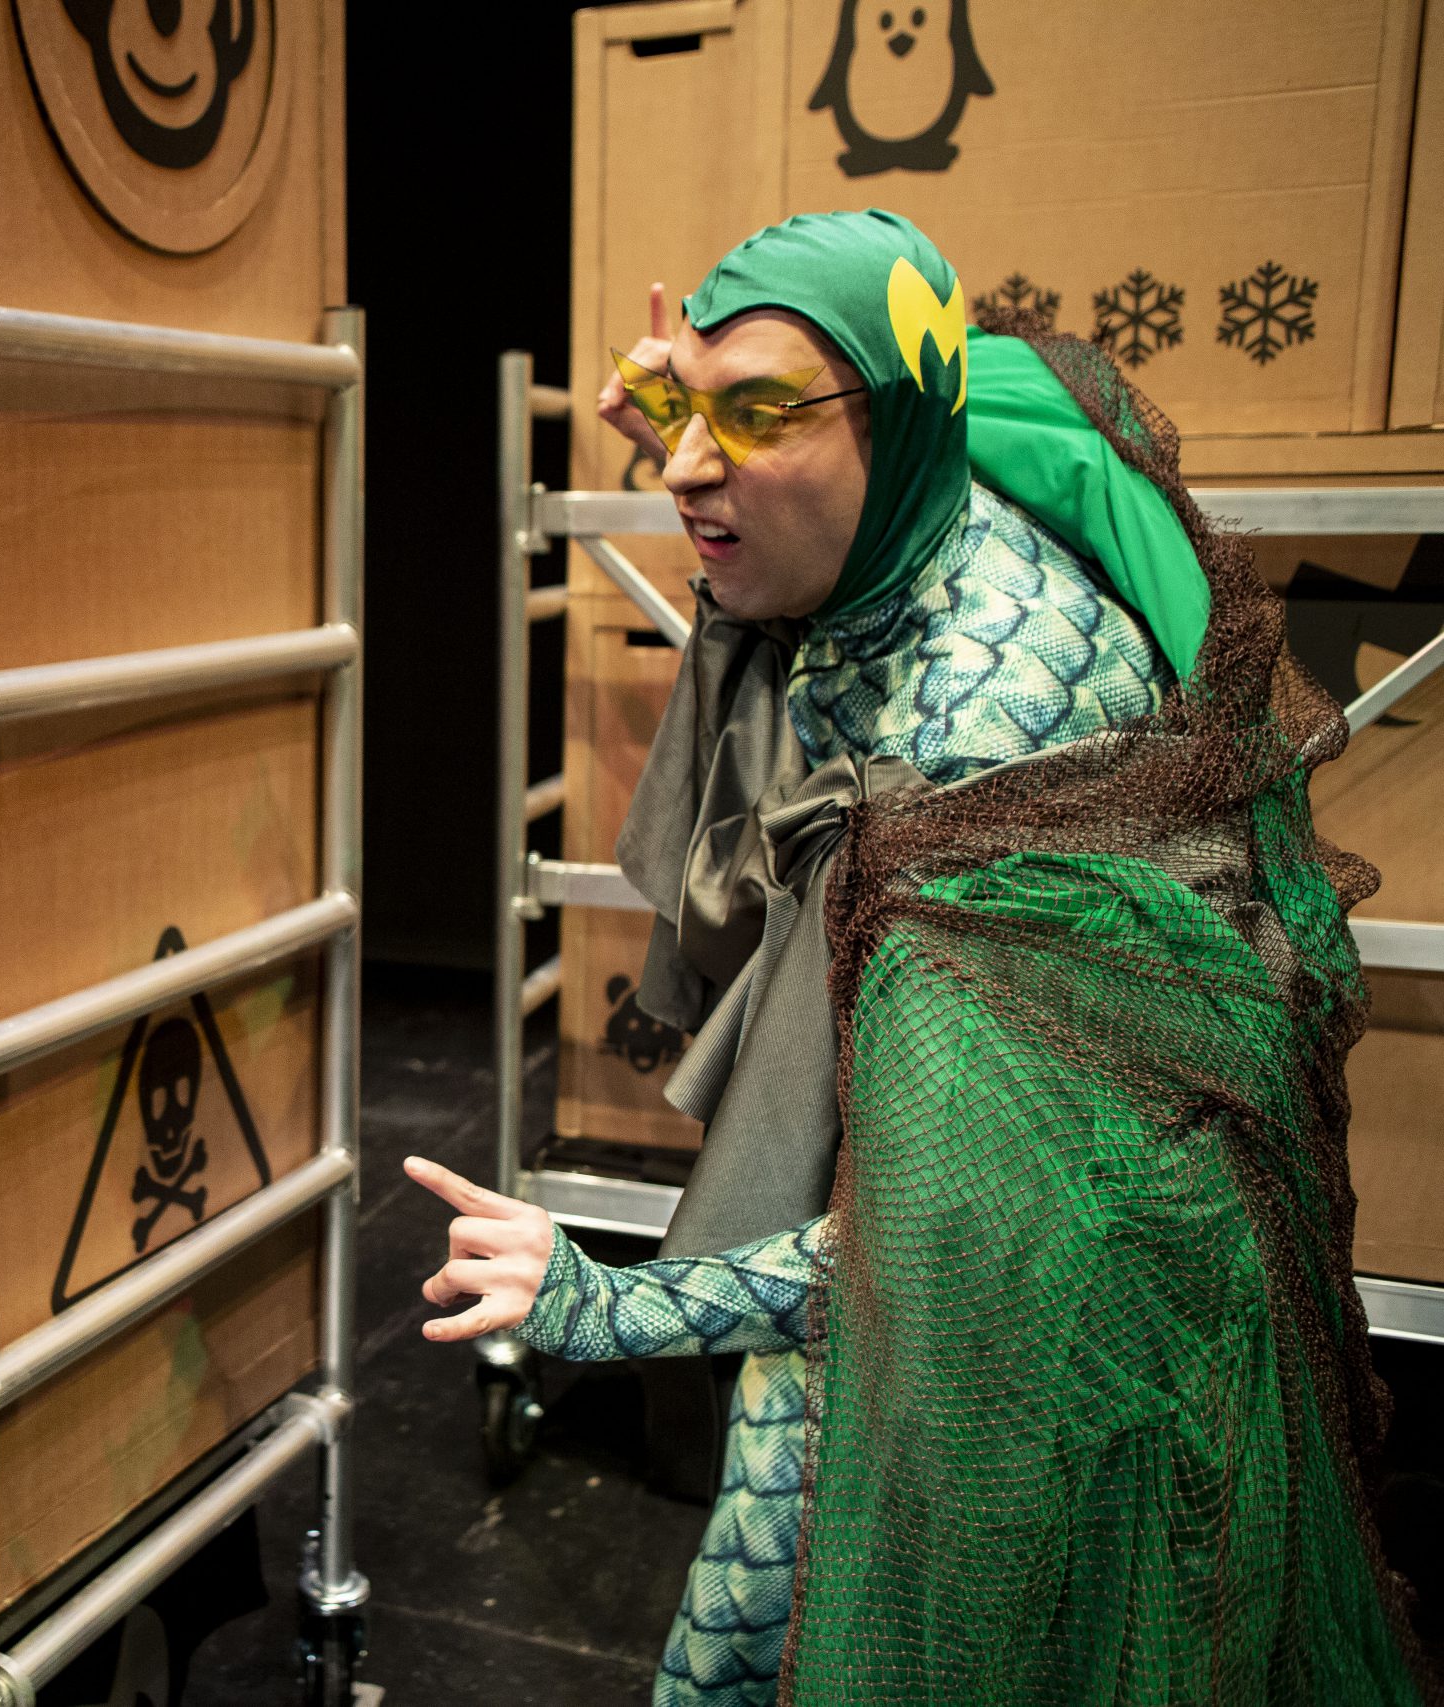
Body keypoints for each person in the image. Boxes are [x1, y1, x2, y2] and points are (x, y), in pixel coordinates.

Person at [410, 211, 1434, 1704]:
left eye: (759, 412)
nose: (683, 465)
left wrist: (606, 1305)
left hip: (1055, 1317)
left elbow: (932, 1250)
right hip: (994, 1188)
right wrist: (718, 432)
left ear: (890, 425)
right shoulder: (944, 467)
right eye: (686, 405)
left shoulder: (976, 753)